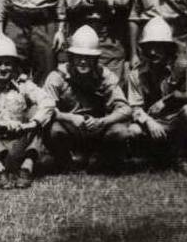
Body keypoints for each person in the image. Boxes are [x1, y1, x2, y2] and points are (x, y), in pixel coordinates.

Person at [42, 25, 137, 171]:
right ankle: (67, 162)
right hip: (70, 128)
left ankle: (100, 160)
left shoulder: (105, 75)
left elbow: (125, 109)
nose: (83, 61)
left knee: (121, 132)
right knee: (52, 130)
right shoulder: (57, 76)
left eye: (88, 58)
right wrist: (70, 118)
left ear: (96, 59)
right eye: (78, 57)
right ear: (71, 57)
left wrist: (102, 121)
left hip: (97, 129)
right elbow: (44, 110)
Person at [0, 35, 54, 190]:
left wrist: (31, 124)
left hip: (20, 144)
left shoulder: (24, 85)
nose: (3, 68)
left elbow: (48, 101)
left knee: (37, 112)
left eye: (8, 64)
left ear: (14, 66)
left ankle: (27, 168)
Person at [126, 17, 187, 176]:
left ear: (168, 48)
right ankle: (156, 156)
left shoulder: (182, 66)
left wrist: (174, 97)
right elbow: (134, 106)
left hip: (177, 121)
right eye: (149, 47)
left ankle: (182, 156)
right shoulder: (136, 73)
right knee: (132, 131)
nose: (153, 52)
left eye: (158, 47)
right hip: (152, 123)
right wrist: (149, 122)